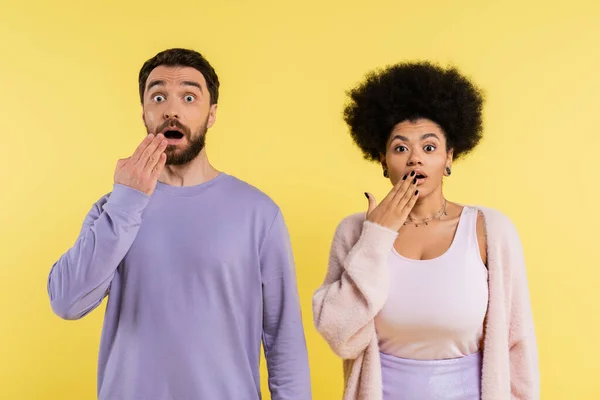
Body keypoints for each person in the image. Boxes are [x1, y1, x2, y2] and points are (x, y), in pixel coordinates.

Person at [47, 48, 312, 400]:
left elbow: (284, 338)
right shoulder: (115, 208)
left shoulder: (258, 212)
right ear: (144, 112)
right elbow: (66, 302)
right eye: (159, 97)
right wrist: (127, 202)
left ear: (211, 114)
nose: (172, 110)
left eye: (189, 97)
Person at [312, 61, 539, 400]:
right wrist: (376, 237)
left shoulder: (491, 231)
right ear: (382, 160)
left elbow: (517, 344)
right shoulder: (357, 232)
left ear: (449, 157)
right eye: (400, 148)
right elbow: (340, 335)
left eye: (429, 147)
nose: (415, 158)